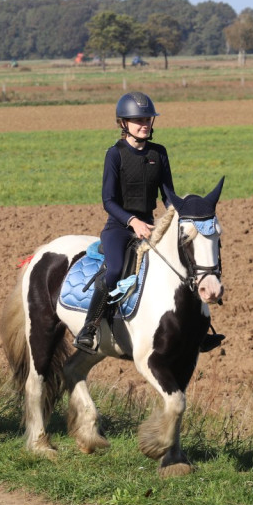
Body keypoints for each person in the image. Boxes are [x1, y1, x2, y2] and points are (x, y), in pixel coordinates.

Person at [74, 92, 223, 353]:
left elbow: (168, 196)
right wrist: (132, 221)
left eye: (147, 119)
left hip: (151, 226)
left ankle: (199, 330)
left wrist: (180, 215)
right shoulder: (115, 155)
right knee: (114, 269)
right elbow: (108, 201)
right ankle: (90, 327)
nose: (144, 124)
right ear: (123, 123)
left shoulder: (159, 153)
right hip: (119, 228)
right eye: (137, 119)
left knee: (185, 267)